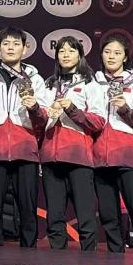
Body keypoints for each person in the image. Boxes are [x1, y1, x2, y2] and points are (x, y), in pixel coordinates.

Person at [85, 32, 133, 263]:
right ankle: (117, 263)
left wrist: (124, 107)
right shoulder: (91, 83)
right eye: (107, 52)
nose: (111, 56)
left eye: (117, 53)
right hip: (100, 159)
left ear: (125, 57)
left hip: (128, 157)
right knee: (109, 217)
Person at [0, 27, 48, 248]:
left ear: (24, 48)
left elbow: (44, 118)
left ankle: (29, 251)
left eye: (16, 44)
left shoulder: (35, 79)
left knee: (27, 206)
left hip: (25, 149)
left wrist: (34, 107)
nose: (10, 48)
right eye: (6, 44)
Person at [40, 37, 99, 251]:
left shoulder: (90, 84)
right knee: (54, 216)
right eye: (61, 51)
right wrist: (42, 112)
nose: (65, 54)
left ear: (80, 55)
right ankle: (57, 259)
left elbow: (97, 122)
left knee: (85, 215)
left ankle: (89, 260)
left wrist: (72, 108)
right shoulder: (48, 84)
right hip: (50, 156)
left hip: (78, 157)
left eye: (71, 50)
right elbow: (39, 121)